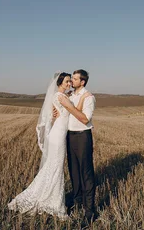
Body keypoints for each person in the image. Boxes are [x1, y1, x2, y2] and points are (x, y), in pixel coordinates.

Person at [55, 69, 96, 223]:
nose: (71, 80)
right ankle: (77, 200)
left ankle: (89, 210)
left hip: (82, 137)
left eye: (75, 78)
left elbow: (85, 119)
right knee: (73, 170)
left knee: (86, 172)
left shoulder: (89, 97)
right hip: (70, 136)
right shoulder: (71, 95)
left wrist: (68, 106)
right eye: (71, 78)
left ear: (82, 82)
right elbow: (62, 110)